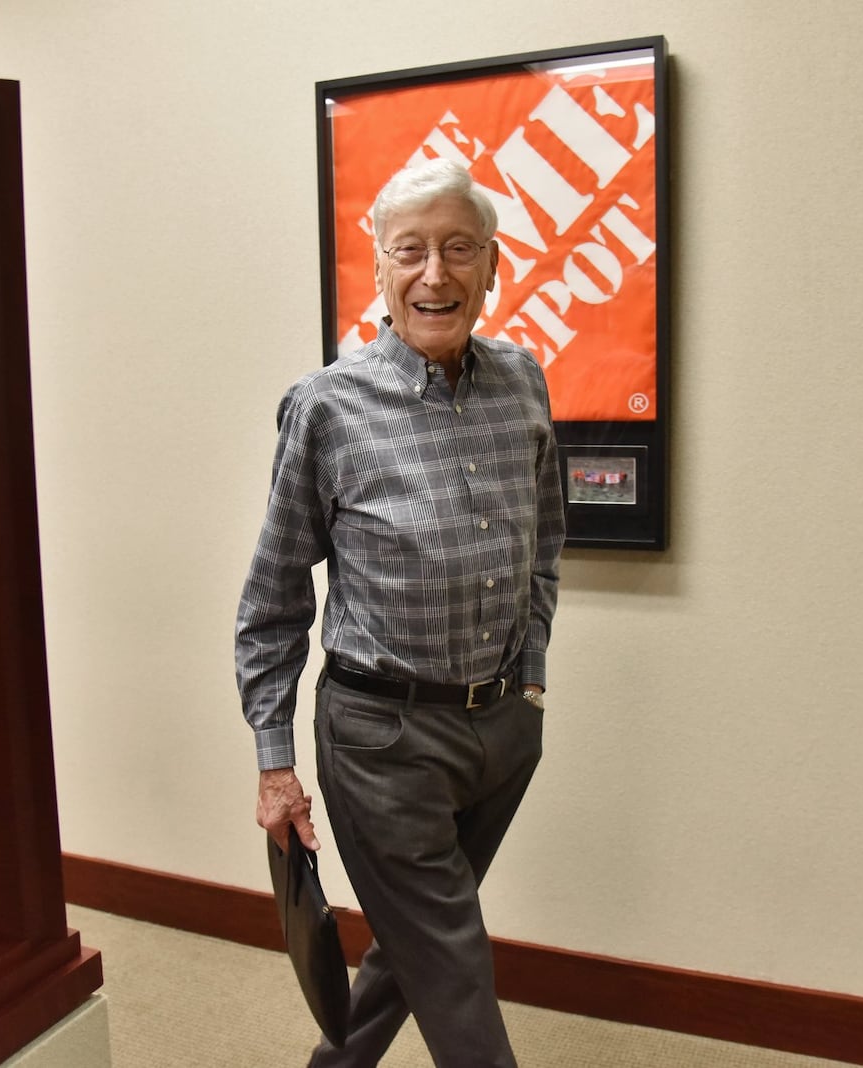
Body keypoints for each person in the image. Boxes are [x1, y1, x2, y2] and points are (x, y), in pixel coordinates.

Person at [235, 157, 565, 1067]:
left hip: (502, 731)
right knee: (452, 959)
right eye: (410, 251)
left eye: (460, 249)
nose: (436, 274)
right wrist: (275, 763)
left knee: (421, 937)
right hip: (382, 739)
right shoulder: (328, 408)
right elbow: (271, 600)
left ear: (493, 264)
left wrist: (530, 680)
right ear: (377, 268)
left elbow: (546, 542)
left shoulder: (524, 383)